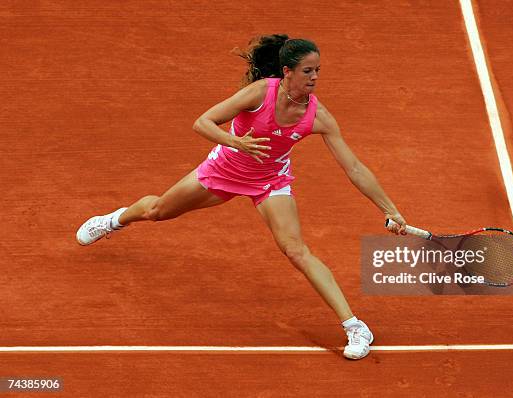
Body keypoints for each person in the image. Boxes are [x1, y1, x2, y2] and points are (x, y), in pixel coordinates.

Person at [76, 34, 409, 360]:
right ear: (288, 72)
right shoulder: (260, 93)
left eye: (318, 70)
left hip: (269, 182)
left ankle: (355, 327)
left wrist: (390, 209)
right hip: (223, 171)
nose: (315, 77)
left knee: (296, 249)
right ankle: (115, 220)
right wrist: (235, 142)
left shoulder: (317, 116)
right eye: (308, 71)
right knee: (159, 210)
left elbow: (353, 167)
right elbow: (202, 122)